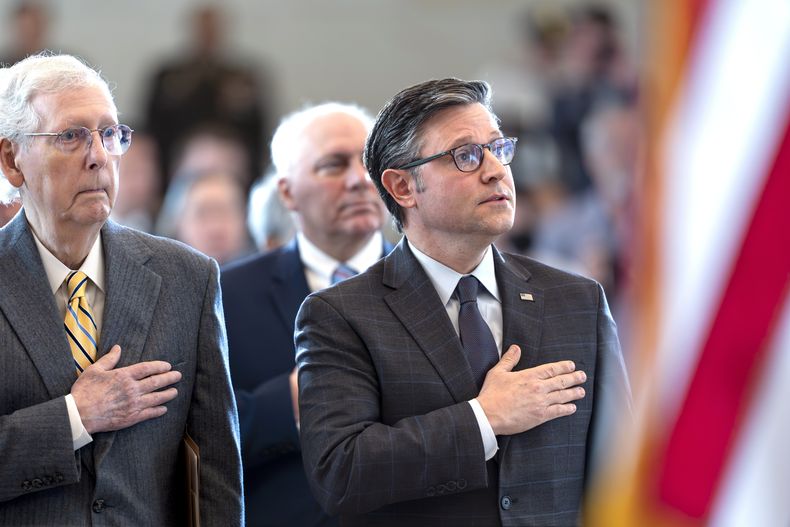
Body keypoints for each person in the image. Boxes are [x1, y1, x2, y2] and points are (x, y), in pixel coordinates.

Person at [295, 78, 631, 526]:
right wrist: (483, 419)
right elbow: (340, 473)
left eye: (498, 148)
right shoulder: (340, 315)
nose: (495, 169)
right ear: (402, 187)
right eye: (465, 155)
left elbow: (624, 467)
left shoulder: (578, 300)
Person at [0, 54, 243, 525]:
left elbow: (216, 469)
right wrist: (75, 417)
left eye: (109, 134)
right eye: (70, 136)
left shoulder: (187, 277)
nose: (98, 156)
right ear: (11, 160)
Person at [221, 102, 391, 527]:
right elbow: (196, 437)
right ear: (287, 192)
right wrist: (294, 400)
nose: (359, 180)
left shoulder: (433, 285)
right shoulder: (227, 294)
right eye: (334, 166)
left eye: (369, 162)